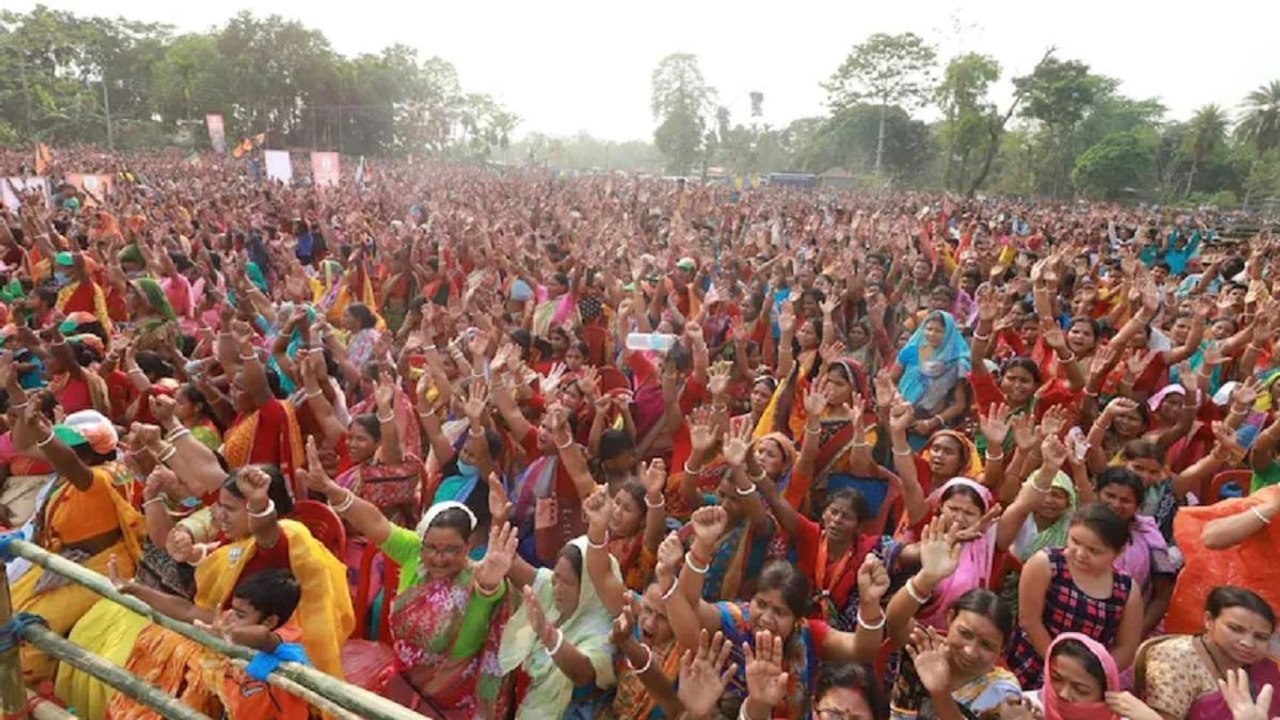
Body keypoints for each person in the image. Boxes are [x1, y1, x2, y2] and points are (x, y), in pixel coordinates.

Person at [300, 441, 511, 718]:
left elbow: (489, 588)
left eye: (452, 550)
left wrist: (490, 578)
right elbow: (374, 522)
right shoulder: (413, 552)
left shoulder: (479, 576)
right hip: (401, 687)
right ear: (421, 541)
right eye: (432, 547)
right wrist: (330, 489)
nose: (439, 558)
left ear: (469, 545)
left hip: (456, 701)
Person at [664, 505, 879, 719]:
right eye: (761, 604)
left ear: (797, 618)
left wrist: (869, 603)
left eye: (779, 612)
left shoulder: (807, 634)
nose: (766, 619)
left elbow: (862, 649)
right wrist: (702, 547)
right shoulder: (735, 619)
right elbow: (689, 604)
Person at [1006, 503, 1145, 689]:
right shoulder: (1047, 564)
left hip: (1086, 682)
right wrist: (1057, 668)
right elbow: (1029, 620)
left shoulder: (1126, 590)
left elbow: (1126, 648)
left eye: (1094, 551)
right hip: (1032, 663)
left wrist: (1093, 676)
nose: (1080, 554)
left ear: (1117, 553)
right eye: (1075, 541)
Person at [1137, 586, 1280, 720]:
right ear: (1209, 620)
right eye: (1235, 629)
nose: (1248, 643)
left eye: (1261, 637)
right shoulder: (1175, 658)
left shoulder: (1266, 668)